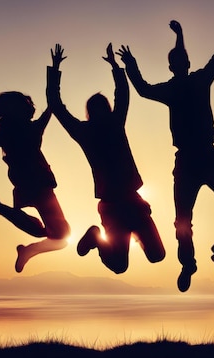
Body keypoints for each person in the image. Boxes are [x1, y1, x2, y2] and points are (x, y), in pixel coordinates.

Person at [118, 3, 214, 291]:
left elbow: (145, 86)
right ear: (179, 65)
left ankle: (210, 257)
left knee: (212, 210)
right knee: (194, 216)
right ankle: (193, 262)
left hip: (203, 158)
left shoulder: (184, 84)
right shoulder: (198, 80)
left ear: (174, 66)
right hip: (194, 160)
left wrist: (132, 65)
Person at [47, 43, 165, 274]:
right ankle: (96, 237)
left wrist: (55, 69)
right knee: (150, 258)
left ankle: (99, 239)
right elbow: (123, 95)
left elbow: (56, 105)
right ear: (106, 109)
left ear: (89, 112)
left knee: (136, 261)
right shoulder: (112, 124)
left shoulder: (86, 130)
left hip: (121, 204)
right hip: (122, 205)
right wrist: (115, 66)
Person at [0, 92, 70, 273]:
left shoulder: (10, 132)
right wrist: (55, 71)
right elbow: (52, 104)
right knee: (62, 235)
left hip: (26, 184)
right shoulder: (31, 129)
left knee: (53, 234)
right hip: (39, 184)